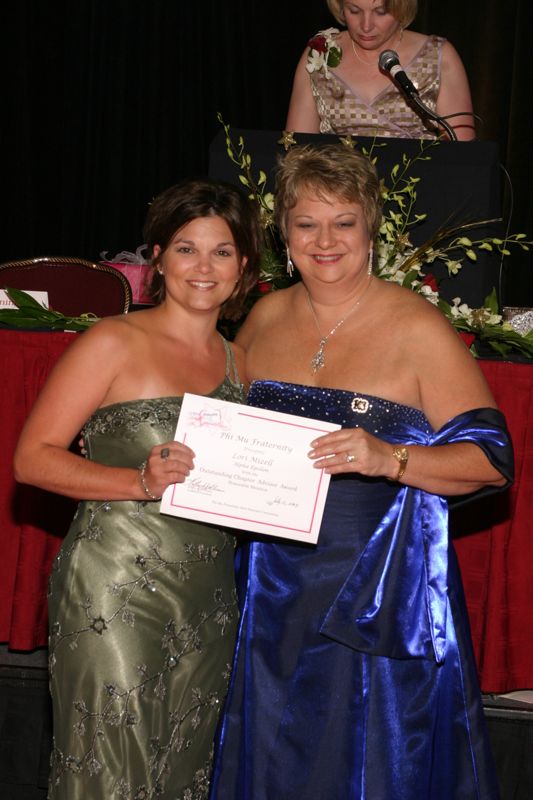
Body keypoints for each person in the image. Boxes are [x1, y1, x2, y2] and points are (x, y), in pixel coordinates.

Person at [209, 145, 512, 799]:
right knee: (271, 757)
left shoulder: (416, 326)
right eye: (305, 223)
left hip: (373, 589)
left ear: (370, 230)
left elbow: (490, 462)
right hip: (267, 584)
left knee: (367, 764)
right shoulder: (261, 318)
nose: (324, 241)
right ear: (282, 235)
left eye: (342, 222)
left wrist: (391, 459)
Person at [13, 178, 262, 800]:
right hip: (115, 587)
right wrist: (138, 481)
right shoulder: (113, 340)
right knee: (110, 770)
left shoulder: (241, 365)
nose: (203, 267)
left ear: (244, 268)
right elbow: (32, 460)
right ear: (156, 258)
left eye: (222, 251)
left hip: (208, 599)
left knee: (183, 771)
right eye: (185, 248)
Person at [286, 0, 475, 140]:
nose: (366, 26)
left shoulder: (437, 56)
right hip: (338, 190)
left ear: (401, 7)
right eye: (354, 11)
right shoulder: (320, 53)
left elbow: (463, 157)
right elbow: (297, 150)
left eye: (381, 12)